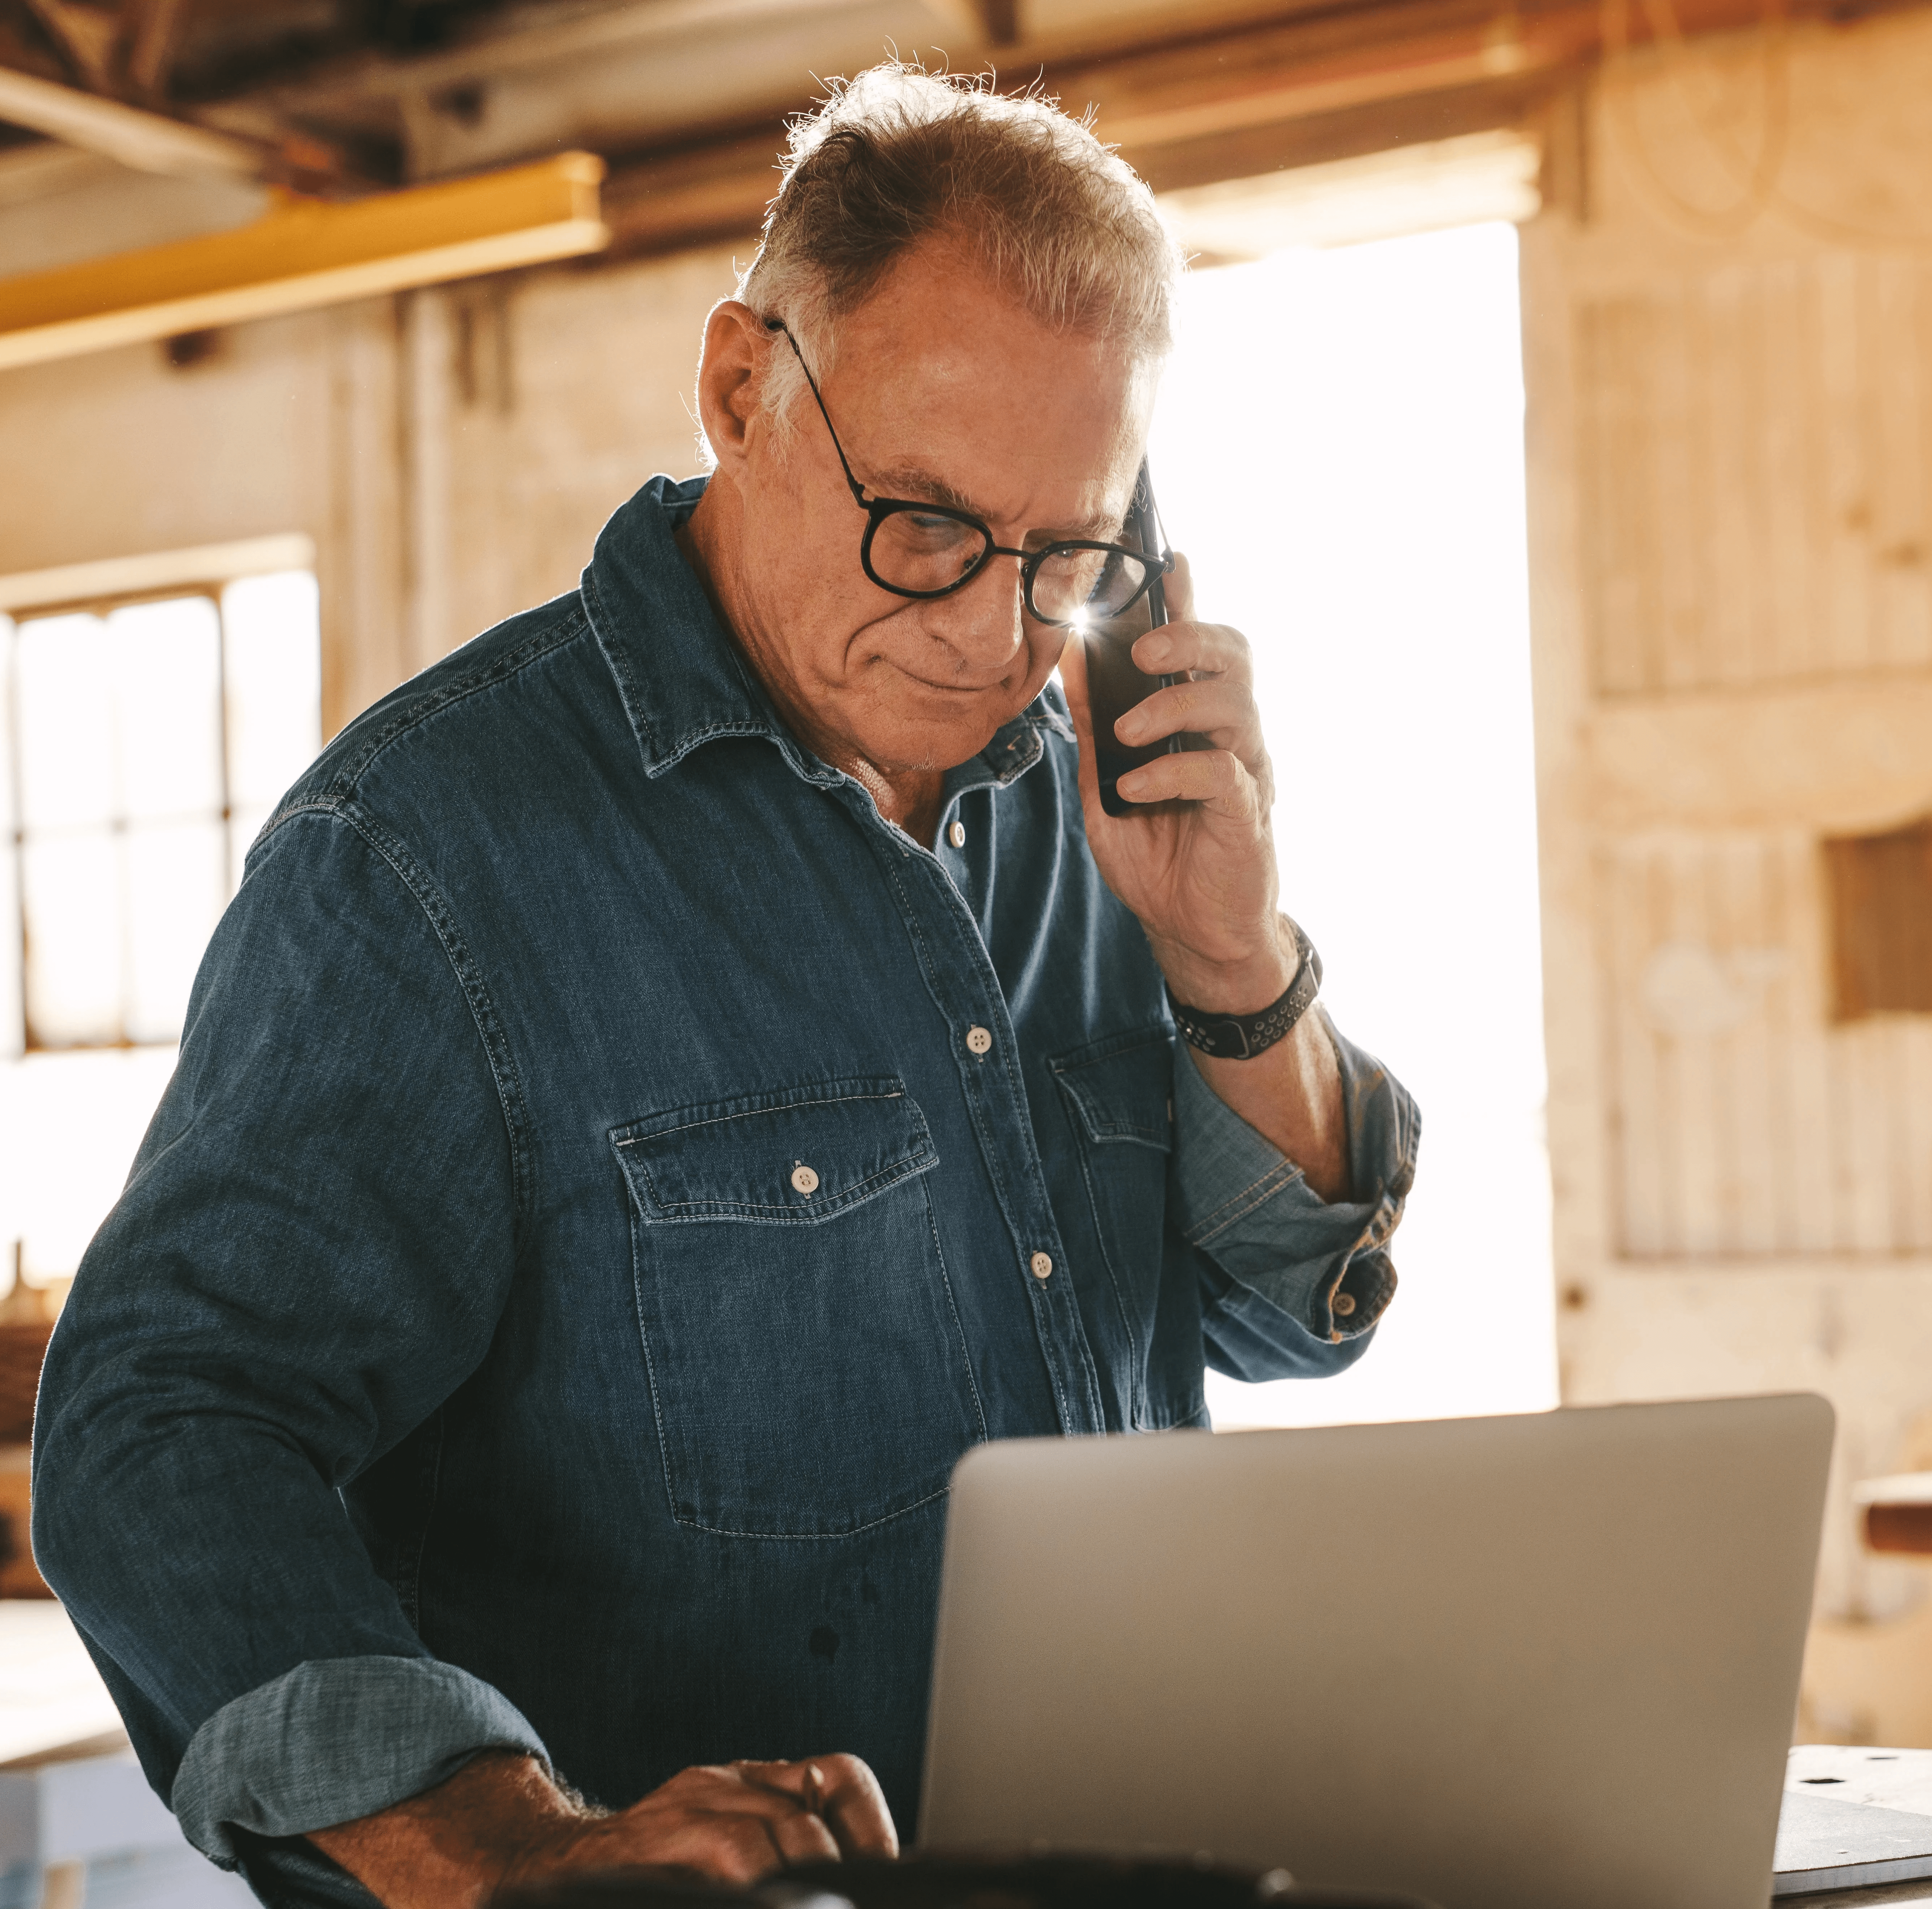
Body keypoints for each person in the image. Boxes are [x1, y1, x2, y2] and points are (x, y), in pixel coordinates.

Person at [32, 63, 1418, 1909]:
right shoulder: (430, 854)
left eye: (1066, 555)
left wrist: (1232, 959)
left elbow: (1294, 1316)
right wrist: (516, 1845)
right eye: (923, 523)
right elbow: (160, 1427)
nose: (987, 631)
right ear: (744, 388)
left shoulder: (1097, 804)